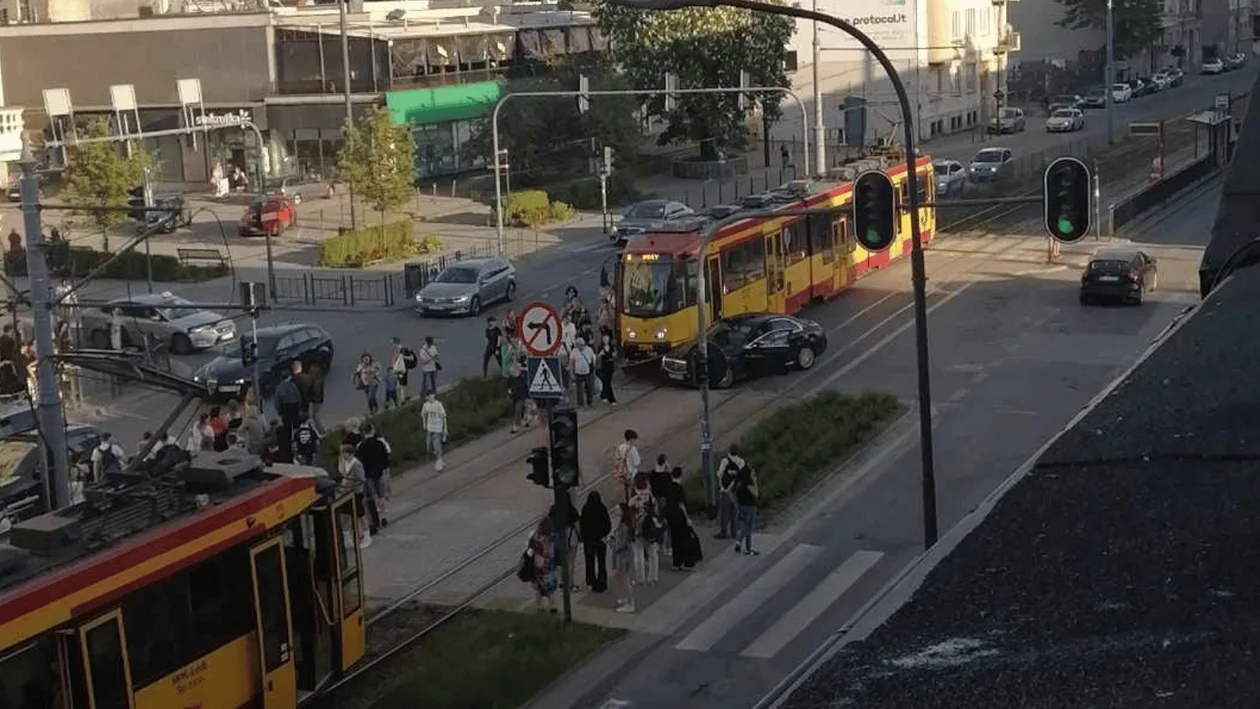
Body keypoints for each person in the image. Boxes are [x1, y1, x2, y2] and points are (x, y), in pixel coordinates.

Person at [356, 423, 391, 533]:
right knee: (381, 496)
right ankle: (383, 516)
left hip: (367, 475)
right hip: (379, 473)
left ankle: (373, 520)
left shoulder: (360, 446)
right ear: (372, 430)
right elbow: (386, 457)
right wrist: (383, 468)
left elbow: (359, 461)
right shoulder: (379, 443)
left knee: (370, 497)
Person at [665, 467, 703, 570]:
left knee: (675, 539)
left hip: (670, 516)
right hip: (679, 516)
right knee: (684, 538)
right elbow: (681, 504)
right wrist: (687, 518)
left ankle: (676, 563)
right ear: (680, 475)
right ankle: (687, 562)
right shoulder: (679, 488)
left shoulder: (668, 487)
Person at [628, 473, 661, 585]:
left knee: (639, 554)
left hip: (638, 529)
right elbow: (656, 510)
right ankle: (653, 576)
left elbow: (629, 507)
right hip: (650, 527)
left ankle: (640, 578)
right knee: (652, 553)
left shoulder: (635, 497)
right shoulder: (650, 497)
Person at [580, 492, 611, 592]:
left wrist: (584, 537)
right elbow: (608, 525)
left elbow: (582, 525)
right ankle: (602, 582)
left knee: (589, 562)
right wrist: (603, 534)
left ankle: (591, 581)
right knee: (602, 562)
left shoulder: (586, 508)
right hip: (600, 540)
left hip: (589, 541)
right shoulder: (602, 508)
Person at [715, 444, 747, 540]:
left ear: (729, 451)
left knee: (724, 512)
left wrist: (723, 486)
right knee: (735, 512)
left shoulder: (725, 460)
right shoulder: (741, 461)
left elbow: (719, 474)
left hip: (725, 490)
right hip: (736, 490)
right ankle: (734, 532)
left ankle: (723, 532)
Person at [527, 517, 557, 614]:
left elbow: (529, 551)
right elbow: (554, 552)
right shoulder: (552, 538)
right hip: (549, 566)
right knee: (550, 589)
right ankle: (551, 606)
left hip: (537, 566)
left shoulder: (535, 537)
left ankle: (539, 606)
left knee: (539, 588)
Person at [610, 502, 635, 613]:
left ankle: (630, 603)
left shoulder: (623, 526)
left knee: (625, 579)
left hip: (623, 557)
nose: (615, 510)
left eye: (617, 509)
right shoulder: (624, 524)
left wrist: (610, 542)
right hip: (623, 555)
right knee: (621, 578)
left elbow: (620, 543)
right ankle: (625, 598)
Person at [734, 459, 760, 556]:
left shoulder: (740, 483)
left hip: (741, 506)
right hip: (750, 507)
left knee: (744, 525)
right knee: (748, 527)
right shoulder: (748, 484)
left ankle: (741, 544)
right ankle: (745, 546)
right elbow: (756, 494)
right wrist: (755, 482)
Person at [420, 392, 448, 471]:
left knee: (436, 446)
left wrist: (445, 429)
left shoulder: (438, 405)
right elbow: (423, 414)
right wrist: (424, 424)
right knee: (429, 447)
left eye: (431, 395)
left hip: (438, 429)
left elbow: (444, 417)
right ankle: (439, 458)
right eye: (428, 396)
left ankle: (439, 461)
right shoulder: (426, 405)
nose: (430, 397)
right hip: (430, 428)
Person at [613, 429, 641, 501]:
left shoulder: (620, 447)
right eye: (634, 440)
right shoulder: (633, 449)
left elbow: (617, 458)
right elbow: (637, 463)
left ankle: (628, 501)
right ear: (631, 439)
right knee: (634, 492)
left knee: (627, 489)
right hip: (632, 474)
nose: (635, 442)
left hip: (623, 473)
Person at [569, 336, 596, 407]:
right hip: (578, 373)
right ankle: (580, 404)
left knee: (589, 388)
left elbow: (593, 360)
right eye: (579, 345)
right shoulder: (574, 351)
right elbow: (571, 362)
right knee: (579, 390)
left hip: (588, 373)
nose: (580, 347)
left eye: (582, 345)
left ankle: (589, 402)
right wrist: (571, 373)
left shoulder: (589, 350)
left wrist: (593, 371)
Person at [509, 357, 530, 434]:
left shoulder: (523, 372)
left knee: (518, 408)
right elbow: (510, 381)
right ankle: (525, 420)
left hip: (521, 393)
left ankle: (516, 426)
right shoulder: (514, 371)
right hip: (516, 393)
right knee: (522, 407)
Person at [596, 332, 617, 406]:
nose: (605, 340)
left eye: (607, 339)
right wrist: (601, 355)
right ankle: (612, 399)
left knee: (607, 382)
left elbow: (614, 355)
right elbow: (599, 356)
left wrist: (612, 356)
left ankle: (603, 395)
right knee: (606, 382)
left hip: (610, 366)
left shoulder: (611, 347)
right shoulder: (600, 347)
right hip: (603, 366)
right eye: (604, 339)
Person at [386, 336, 408, 407]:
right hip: (402, 369)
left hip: (397, 369)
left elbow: (394, 358)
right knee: (401, 385)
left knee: (396, 385)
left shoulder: (395, 348)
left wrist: (391, 367)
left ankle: (399, 401)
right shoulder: (401, 348)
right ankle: (402, 399)